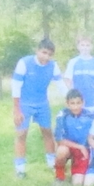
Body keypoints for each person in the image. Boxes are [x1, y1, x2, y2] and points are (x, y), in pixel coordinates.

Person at [8, 37, 58, 176]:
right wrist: (16, 109)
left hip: (42, 103)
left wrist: (70, 98)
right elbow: (16, 86)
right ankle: (20, 169)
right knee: (21, 134)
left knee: (47, 132)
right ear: (37, 50)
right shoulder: (24, 63)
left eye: (49, 54)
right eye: (44, 52)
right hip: (24, 103)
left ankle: (52, 164)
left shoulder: (53, 66)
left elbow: (60, 84)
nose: (46, 57)